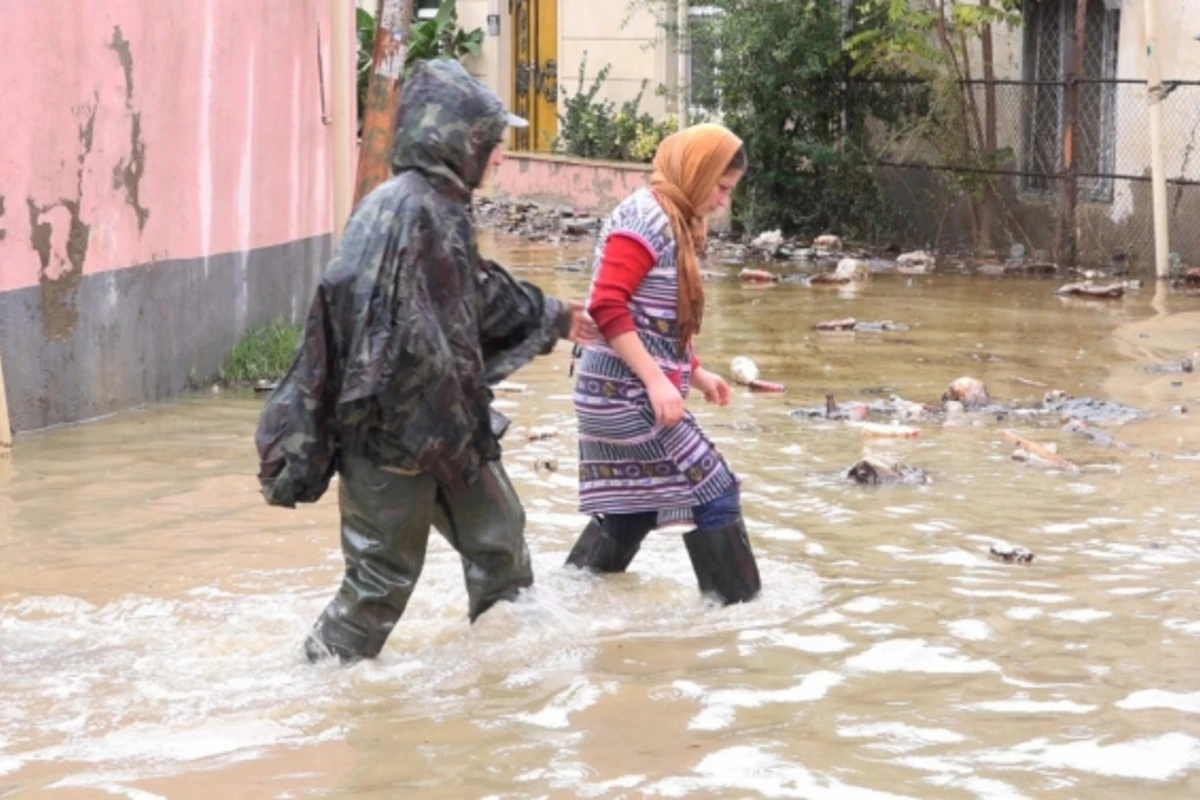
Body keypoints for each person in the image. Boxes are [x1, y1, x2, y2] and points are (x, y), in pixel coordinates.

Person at [254, 59, 597, 665]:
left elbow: (473, 294)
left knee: (501, 542)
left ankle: (500, 680)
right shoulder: (420, 212)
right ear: (459, 141)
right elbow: (416, 320)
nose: (495, 157)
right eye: (490, 144)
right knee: (380, 581)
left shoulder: (420, 206)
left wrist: (554, 316)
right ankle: (309, 695)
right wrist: (551, 319)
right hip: (393, 438)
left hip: (443, 432)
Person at [564, 123, 761, 605]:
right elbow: (608, 306)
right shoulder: (645, 219)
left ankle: (558, 602)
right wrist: (657, 382)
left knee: (635, 509)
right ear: (696, 172)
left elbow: (655, 320)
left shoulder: (671, 218)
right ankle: (738, 620)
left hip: (618, 390)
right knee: (716, 492)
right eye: (721, 187)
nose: (721, 202)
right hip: (622, 394)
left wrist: (694, 372)